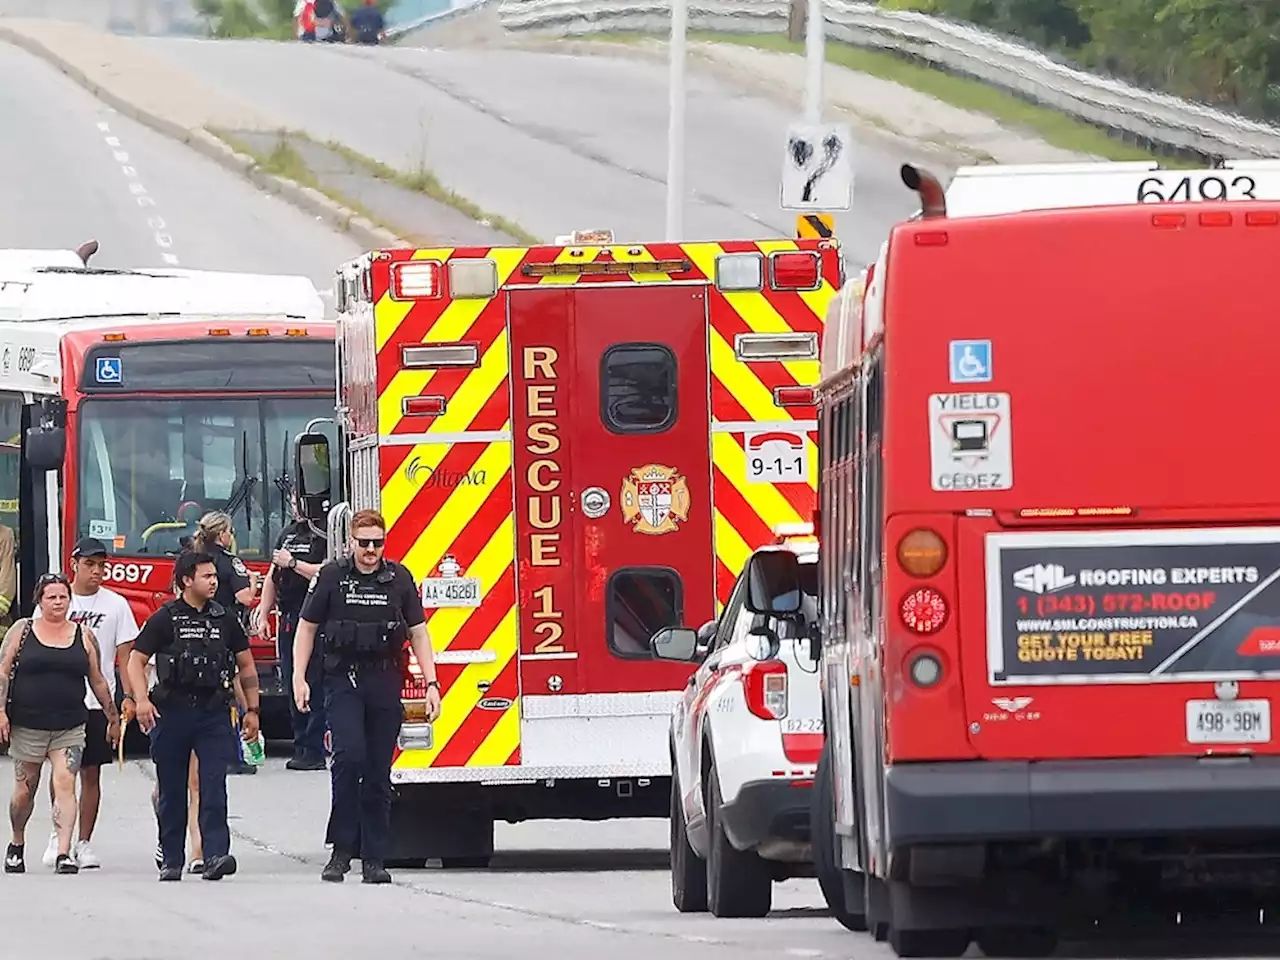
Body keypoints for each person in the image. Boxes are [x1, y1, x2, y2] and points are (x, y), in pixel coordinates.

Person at [292, 509, 441, 884]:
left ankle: (375, 857)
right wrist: (298, 677)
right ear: (351, 543)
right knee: (349, 758)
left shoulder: (399, 579)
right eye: (364, 543)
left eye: (377, 543)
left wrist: (432, 683)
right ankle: (342, 851)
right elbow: (307, 629)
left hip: (384, 680)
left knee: (378, 772)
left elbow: (419, 633)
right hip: (343, 680)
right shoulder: (331, 577)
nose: (371, 550)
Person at [126, 551, 262, 882]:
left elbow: (246, 665)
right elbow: (135, 660)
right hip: (171, 712)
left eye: (215, 576)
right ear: (187, 580)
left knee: (213, 785)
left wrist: (253, 711)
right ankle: (172, 858)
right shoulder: (165, 618)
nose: (214, 581)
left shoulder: (225, 618)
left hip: (213, 712)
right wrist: (141, 700)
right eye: (207, 576)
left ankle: (216, 854)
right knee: (172, 789)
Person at [0, 574, 120, 874]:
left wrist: (113, 716)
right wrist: (1, 711)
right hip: (28, 724)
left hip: (69, 725)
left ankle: (64, 851)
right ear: (39, 600)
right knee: (25, 790)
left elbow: (97, 679)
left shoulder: (84, 636)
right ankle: (17, 842)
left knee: (66, 782)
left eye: (63, 597)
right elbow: (2, 673)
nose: (57, 602)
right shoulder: (22, 631)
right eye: (51, 597)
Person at [34, 538, 139, 870]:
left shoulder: (116, 605)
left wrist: (130, 698)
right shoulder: (56, 600)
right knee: (63, 774)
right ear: (74, 564)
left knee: (91, 774)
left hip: (98, 702)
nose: (96, 571)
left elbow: (126, 658)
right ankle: (58, 835)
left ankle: (84, 841)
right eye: (89, 564)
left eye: (101, 565)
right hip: (60, 701)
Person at [253, 497, 328, 770]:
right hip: (288, 620)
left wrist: (294, 563)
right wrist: (263, 612)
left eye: (299, 499)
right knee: (291, 680)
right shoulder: (287, 533)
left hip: (315, 620)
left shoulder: (326, 533)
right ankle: (300, 745)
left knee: (314, 683)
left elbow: (328, 573)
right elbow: (274, 574)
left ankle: (314, 749)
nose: (295, 505)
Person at [191, 511, 258, 777]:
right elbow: (245, 598)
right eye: (230, 532)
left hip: (196, 630)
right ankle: (236, 750)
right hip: (226, 629)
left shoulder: (193, 560)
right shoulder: (231, 562)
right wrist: (252, 581)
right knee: (235, 689)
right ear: (222, 535)